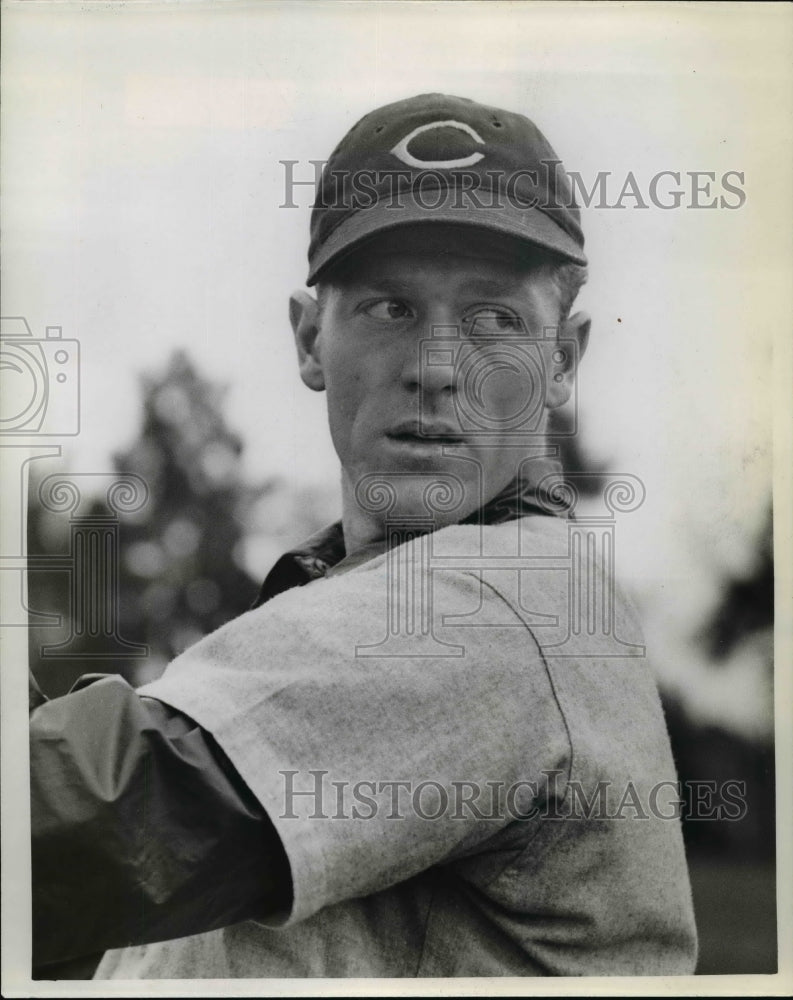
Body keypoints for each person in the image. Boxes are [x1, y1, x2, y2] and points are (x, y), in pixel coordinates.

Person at [30, 93, 698, 978]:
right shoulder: (344, 602)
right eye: (390, 309)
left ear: (562, 363)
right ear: (310, 339)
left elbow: (75, 823)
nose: (434, 368)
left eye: (494, 319)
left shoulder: (502, 606)